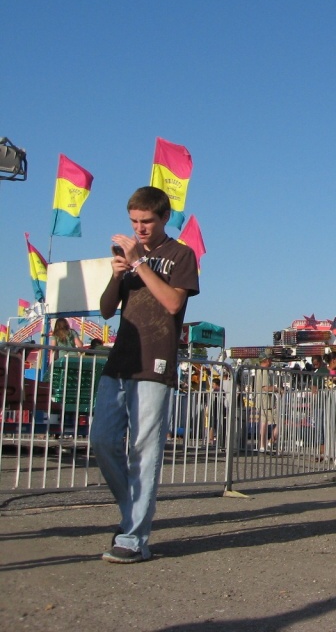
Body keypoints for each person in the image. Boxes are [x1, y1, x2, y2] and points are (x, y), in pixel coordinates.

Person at [91, 186, 200, 563]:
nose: (139, 228)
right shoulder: (128, 253)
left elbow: (172, 303)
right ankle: (131, 515)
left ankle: (135, 538)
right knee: (102, 441)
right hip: (120, 360)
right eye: (134, 221)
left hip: (155, 363)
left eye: (147, 221)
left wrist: (140, 265)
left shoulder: (180, 254)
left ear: (164, 218)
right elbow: (106, 310)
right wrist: (117, 273)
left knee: (144, 450)